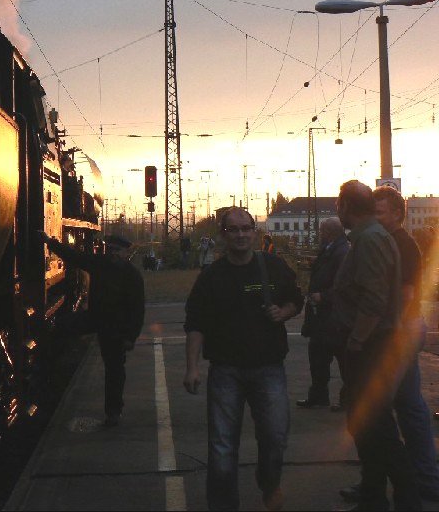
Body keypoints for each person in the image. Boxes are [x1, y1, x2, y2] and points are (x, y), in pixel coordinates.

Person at [184, 207, 303, 511]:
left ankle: (269, 481)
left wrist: (284, 312)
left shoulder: (273, 266)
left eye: (245, 228)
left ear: (254, 231)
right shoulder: (212, 277)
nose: (240, 235)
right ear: (223, 235)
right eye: (233, 230)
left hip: (269, 369)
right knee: (222, 448)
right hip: (226, 371)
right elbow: (196, 323)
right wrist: (193, 367)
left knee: (275, 438)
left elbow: (295, 300)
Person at [338, 187, 439, 503]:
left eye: (380, 212)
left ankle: (416, 483)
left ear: (398, 213)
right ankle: (379, 486)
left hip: (392, 335)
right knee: (395, 409)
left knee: (390, 413)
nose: (376, 218)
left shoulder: (393, 243)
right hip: (391, 333)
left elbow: (393, 297)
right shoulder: (384, 239)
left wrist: (362, 338)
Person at [41, 232, 145, 427]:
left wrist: (131, 336)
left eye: (118, 250)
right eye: (111, 249)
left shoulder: (132, 276)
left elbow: (138, 310)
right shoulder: (100, 264)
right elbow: (75, 257)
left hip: (116, 327)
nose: (113, 254)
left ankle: (114, 411)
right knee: (63, 326)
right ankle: (49, 372)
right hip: (96, 318)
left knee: (114, 369)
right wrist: (50, 243)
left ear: (126, 253)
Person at [297, 217, 350, 410]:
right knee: (319, 356)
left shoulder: (342, 252)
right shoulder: (334, 249)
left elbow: (345, 285)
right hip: (323, 317)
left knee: (342, 359)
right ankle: (320, 395)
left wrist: (324, 296)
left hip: (333, 317)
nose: (320, 235)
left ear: (329, 233)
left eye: (322, 232)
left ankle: (347, 399)